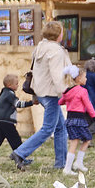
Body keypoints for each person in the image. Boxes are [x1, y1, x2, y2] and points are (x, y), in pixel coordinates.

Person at [10, 21, 72, 171]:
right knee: (48, 129)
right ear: (59, 34)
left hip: (41, 92)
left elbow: (36, 71)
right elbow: (57, 75)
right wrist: (66, 92)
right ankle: (19, 153)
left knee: (60, 127)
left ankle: (61, 163)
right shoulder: (56, 51)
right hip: (51, 93)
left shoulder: (40, 47)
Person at [0, 74, 35, 167]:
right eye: (16, 84)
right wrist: (31, 103)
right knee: (15, 139)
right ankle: (21, 157)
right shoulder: (9, 94)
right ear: (9, 85)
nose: (18, 85)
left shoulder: (4, 93)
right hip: (7, 122)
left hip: (1, 121)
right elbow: (18, 104)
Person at [60, 66, 95, 174]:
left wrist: (69, 101)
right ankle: (69, 167)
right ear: (79, 78)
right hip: (79, 120)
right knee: (82, 141)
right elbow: (89, 106)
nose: (86, 79)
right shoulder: (82, 91)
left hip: (70, 120)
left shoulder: (67, 91)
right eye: (85, 77)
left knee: (81, 140)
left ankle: (76, 164)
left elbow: (60, 102)